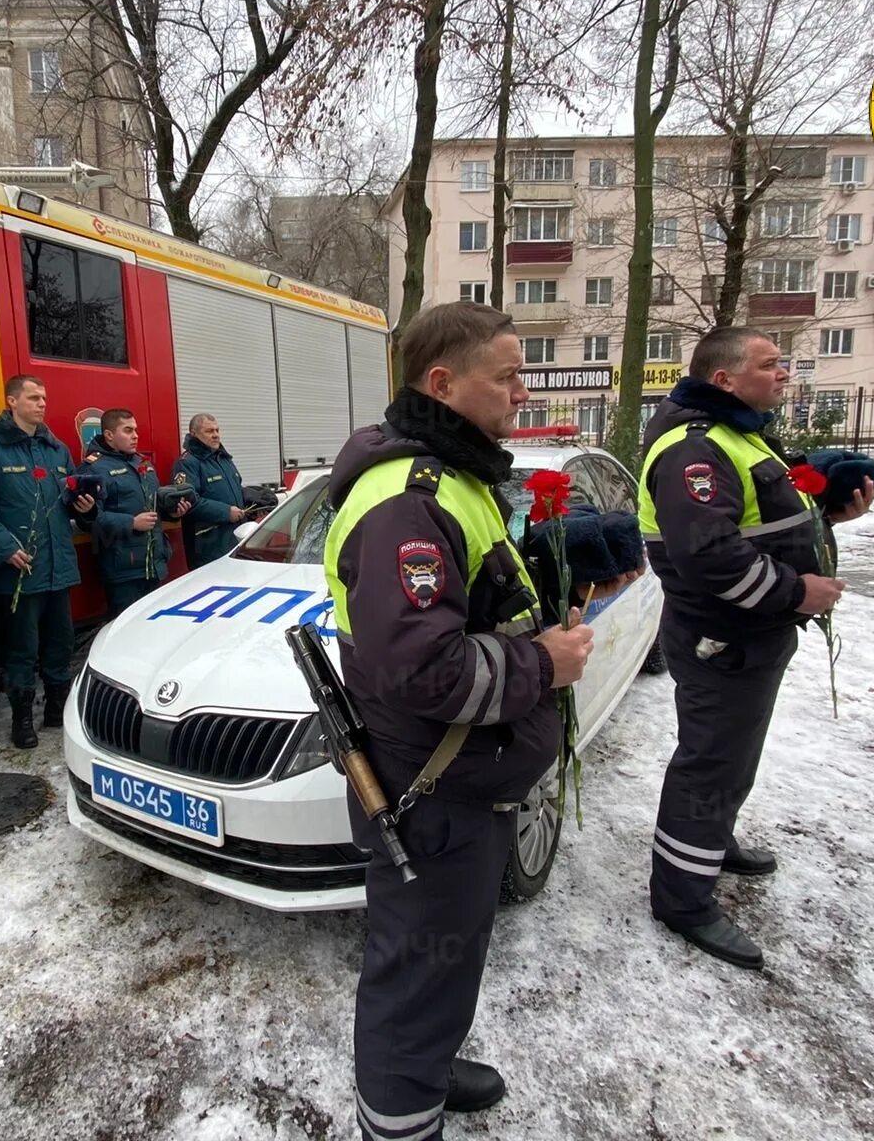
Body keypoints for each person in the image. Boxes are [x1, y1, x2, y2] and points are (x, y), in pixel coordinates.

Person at [324, 303, 599, 1140]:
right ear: (442, 384)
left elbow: (472, 612)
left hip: (459, 782)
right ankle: (401, 1117)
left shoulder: (454, 479)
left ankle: (427, 1070)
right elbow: (426, 668)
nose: (523, 391)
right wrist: (542, 665)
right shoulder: (410, 499)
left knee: (442, 964)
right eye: (508, 375)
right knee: (416, 971)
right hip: (431, 788)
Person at [638, 326, 873, 970]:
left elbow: (764, 524)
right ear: (724, 379)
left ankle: (708, 843)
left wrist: (827, 519)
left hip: (751, 634)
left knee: (733, 757)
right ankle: (683, 899)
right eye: (771, 365)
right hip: (723, 636)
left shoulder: (741, 435)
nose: (784, 374)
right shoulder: (697, 450)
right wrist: (800, 592)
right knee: (710, 763)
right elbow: (710, 557)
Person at [0, 375, 96, 748]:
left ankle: (56, 707)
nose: (42, 403)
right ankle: (22, 718)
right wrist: (5, 547)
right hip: (19, 569)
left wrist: (84, 506)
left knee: (61, 642)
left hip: (58, 566)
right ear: (11, 402)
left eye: (44, 397)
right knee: (21, 647)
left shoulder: (56, 449)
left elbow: (69, 498)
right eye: (34, 397)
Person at [79, 408, 191, 617]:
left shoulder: (143, 464)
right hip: (123, 570)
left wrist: (173, 513)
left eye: (136, 430)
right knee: (126, 631)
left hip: (153, 564)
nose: (135, 436)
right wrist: (131, 522)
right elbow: (89, 519)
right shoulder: (93, 469)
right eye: (128, 430)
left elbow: (153, 507)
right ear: (109, 435)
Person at [171, 413, 246, 568]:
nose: (216, 435)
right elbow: (189, 501)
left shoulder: (224, 459)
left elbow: (235, 490)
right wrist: (226, 512)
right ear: (194, 433)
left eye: (217, 430)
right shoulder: (187, 464)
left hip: (234, 539)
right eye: (209, 431)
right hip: (207, 546)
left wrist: (254, 500)